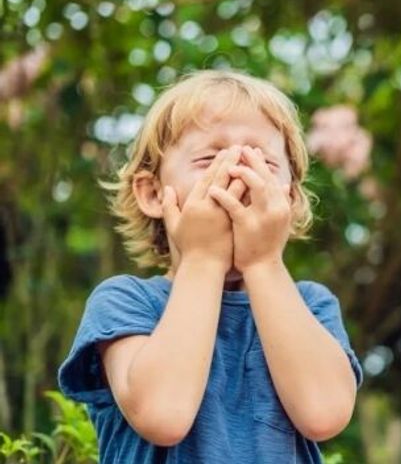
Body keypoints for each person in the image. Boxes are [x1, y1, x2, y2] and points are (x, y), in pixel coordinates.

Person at [57, 69, 363, 463]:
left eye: (263, 163)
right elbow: (163, 415)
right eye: (209, 159)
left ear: (289, 201)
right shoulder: (124, 301)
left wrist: (264, 262)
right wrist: (203, 259)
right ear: (153, 194)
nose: (237, 174)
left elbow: (324, 415)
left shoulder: (311, 305)